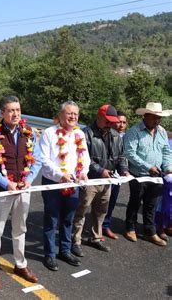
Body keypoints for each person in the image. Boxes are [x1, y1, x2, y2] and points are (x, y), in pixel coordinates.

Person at [0, 96, 41, 290]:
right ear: (2, 113)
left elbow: (36, 161)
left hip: (23, 190)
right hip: (1, 192)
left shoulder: (29, 133)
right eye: (11, 110)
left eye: (18, 110)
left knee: (20, 229)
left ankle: (20, 264)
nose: (15, 114)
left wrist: (28, 180)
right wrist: (6, 183)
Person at [71, 105, 129, 257]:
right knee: (81, 211)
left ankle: (95, 237)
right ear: (99, 117)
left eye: (112, 121)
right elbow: (83, 159)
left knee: (101, 211)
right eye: (107, 121)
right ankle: (75, 240)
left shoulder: (116, 136)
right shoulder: (86, 134)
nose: (111, 124)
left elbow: (121, 156)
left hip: (107, 180)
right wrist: (100, 170)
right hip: (89, 180)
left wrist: (124, 170)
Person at [39, 100, 90, 271]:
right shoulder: (49, 133)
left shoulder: (79, 134)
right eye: (69, 113)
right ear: (60, 115)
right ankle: (50, 254)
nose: (73, 117)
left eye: (75, 114)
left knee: (68, 219)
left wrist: (84, 171)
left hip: (73, 184)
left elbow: (85, 158)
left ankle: (65, 251)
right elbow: (44, 160)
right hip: (53, 184)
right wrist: (60, 175)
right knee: (51, 220)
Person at [123, 102, 172, 246]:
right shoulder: (134, 131)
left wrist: (168, 167)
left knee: (151, 204)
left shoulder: (162, 131)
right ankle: (130, 228)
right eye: (154, 117)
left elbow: (166, 151)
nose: (157, 120)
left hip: (156, 175)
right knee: (135, 201)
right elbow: (130, 153)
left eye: (159, 118)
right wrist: (147, 166)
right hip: (139, 174)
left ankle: (150, 231)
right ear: (146, 116)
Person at [102, 110, 128, 239]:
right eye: (118, 122)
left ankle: (105, 226)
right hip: (102, 175)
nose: (121, 125)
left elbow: (122, 157)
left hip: (117, 177)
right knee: (98, 204)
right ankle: (94, 229)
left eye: (123, 122)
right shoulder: (105, 135)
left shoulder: (125, 137)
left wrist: (124, 170)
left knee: (111, 203)